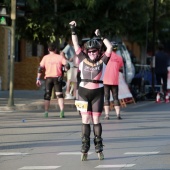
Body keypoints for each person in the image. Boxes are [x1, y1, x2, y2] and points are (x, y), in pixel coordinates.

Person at [69, 20, 112, 161]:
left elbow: (110, 48)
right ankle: (84, 147)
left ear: (98, 52)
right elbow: (75, 44)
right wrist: (73, 29)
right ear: (87, 52)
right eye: (90, 51)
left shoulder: (102, 61)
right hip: (83, 92)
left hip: (97, 93)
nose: (92, 53)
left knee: (96, 120)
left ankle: (98, 146)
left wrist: (102, 36)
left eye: (95, 51)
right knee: (85, 119)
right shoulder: (82, 59)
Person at [36, 42, 70, 118]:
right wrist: (64, 70)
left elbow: (40, 69)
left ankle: (46, 112)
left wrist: (38, 79)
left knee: (47, 95)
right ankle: (62, 111)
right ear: (55, 49)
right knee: (59, 95)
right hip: (57, 78)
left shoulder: (45, 57)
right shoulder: (60, 57)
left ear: (48, 49)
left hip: (48, 78)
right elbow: (67, 65)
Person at [103, 42, 124, 120]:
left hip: (105, 80)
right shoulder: (119, 58)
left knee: (106, 97)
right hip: (114, 80)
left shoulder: (104, 56)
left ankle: (107, 115)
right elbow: (121, 69)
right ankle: (118, 114)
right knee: (115, 97)